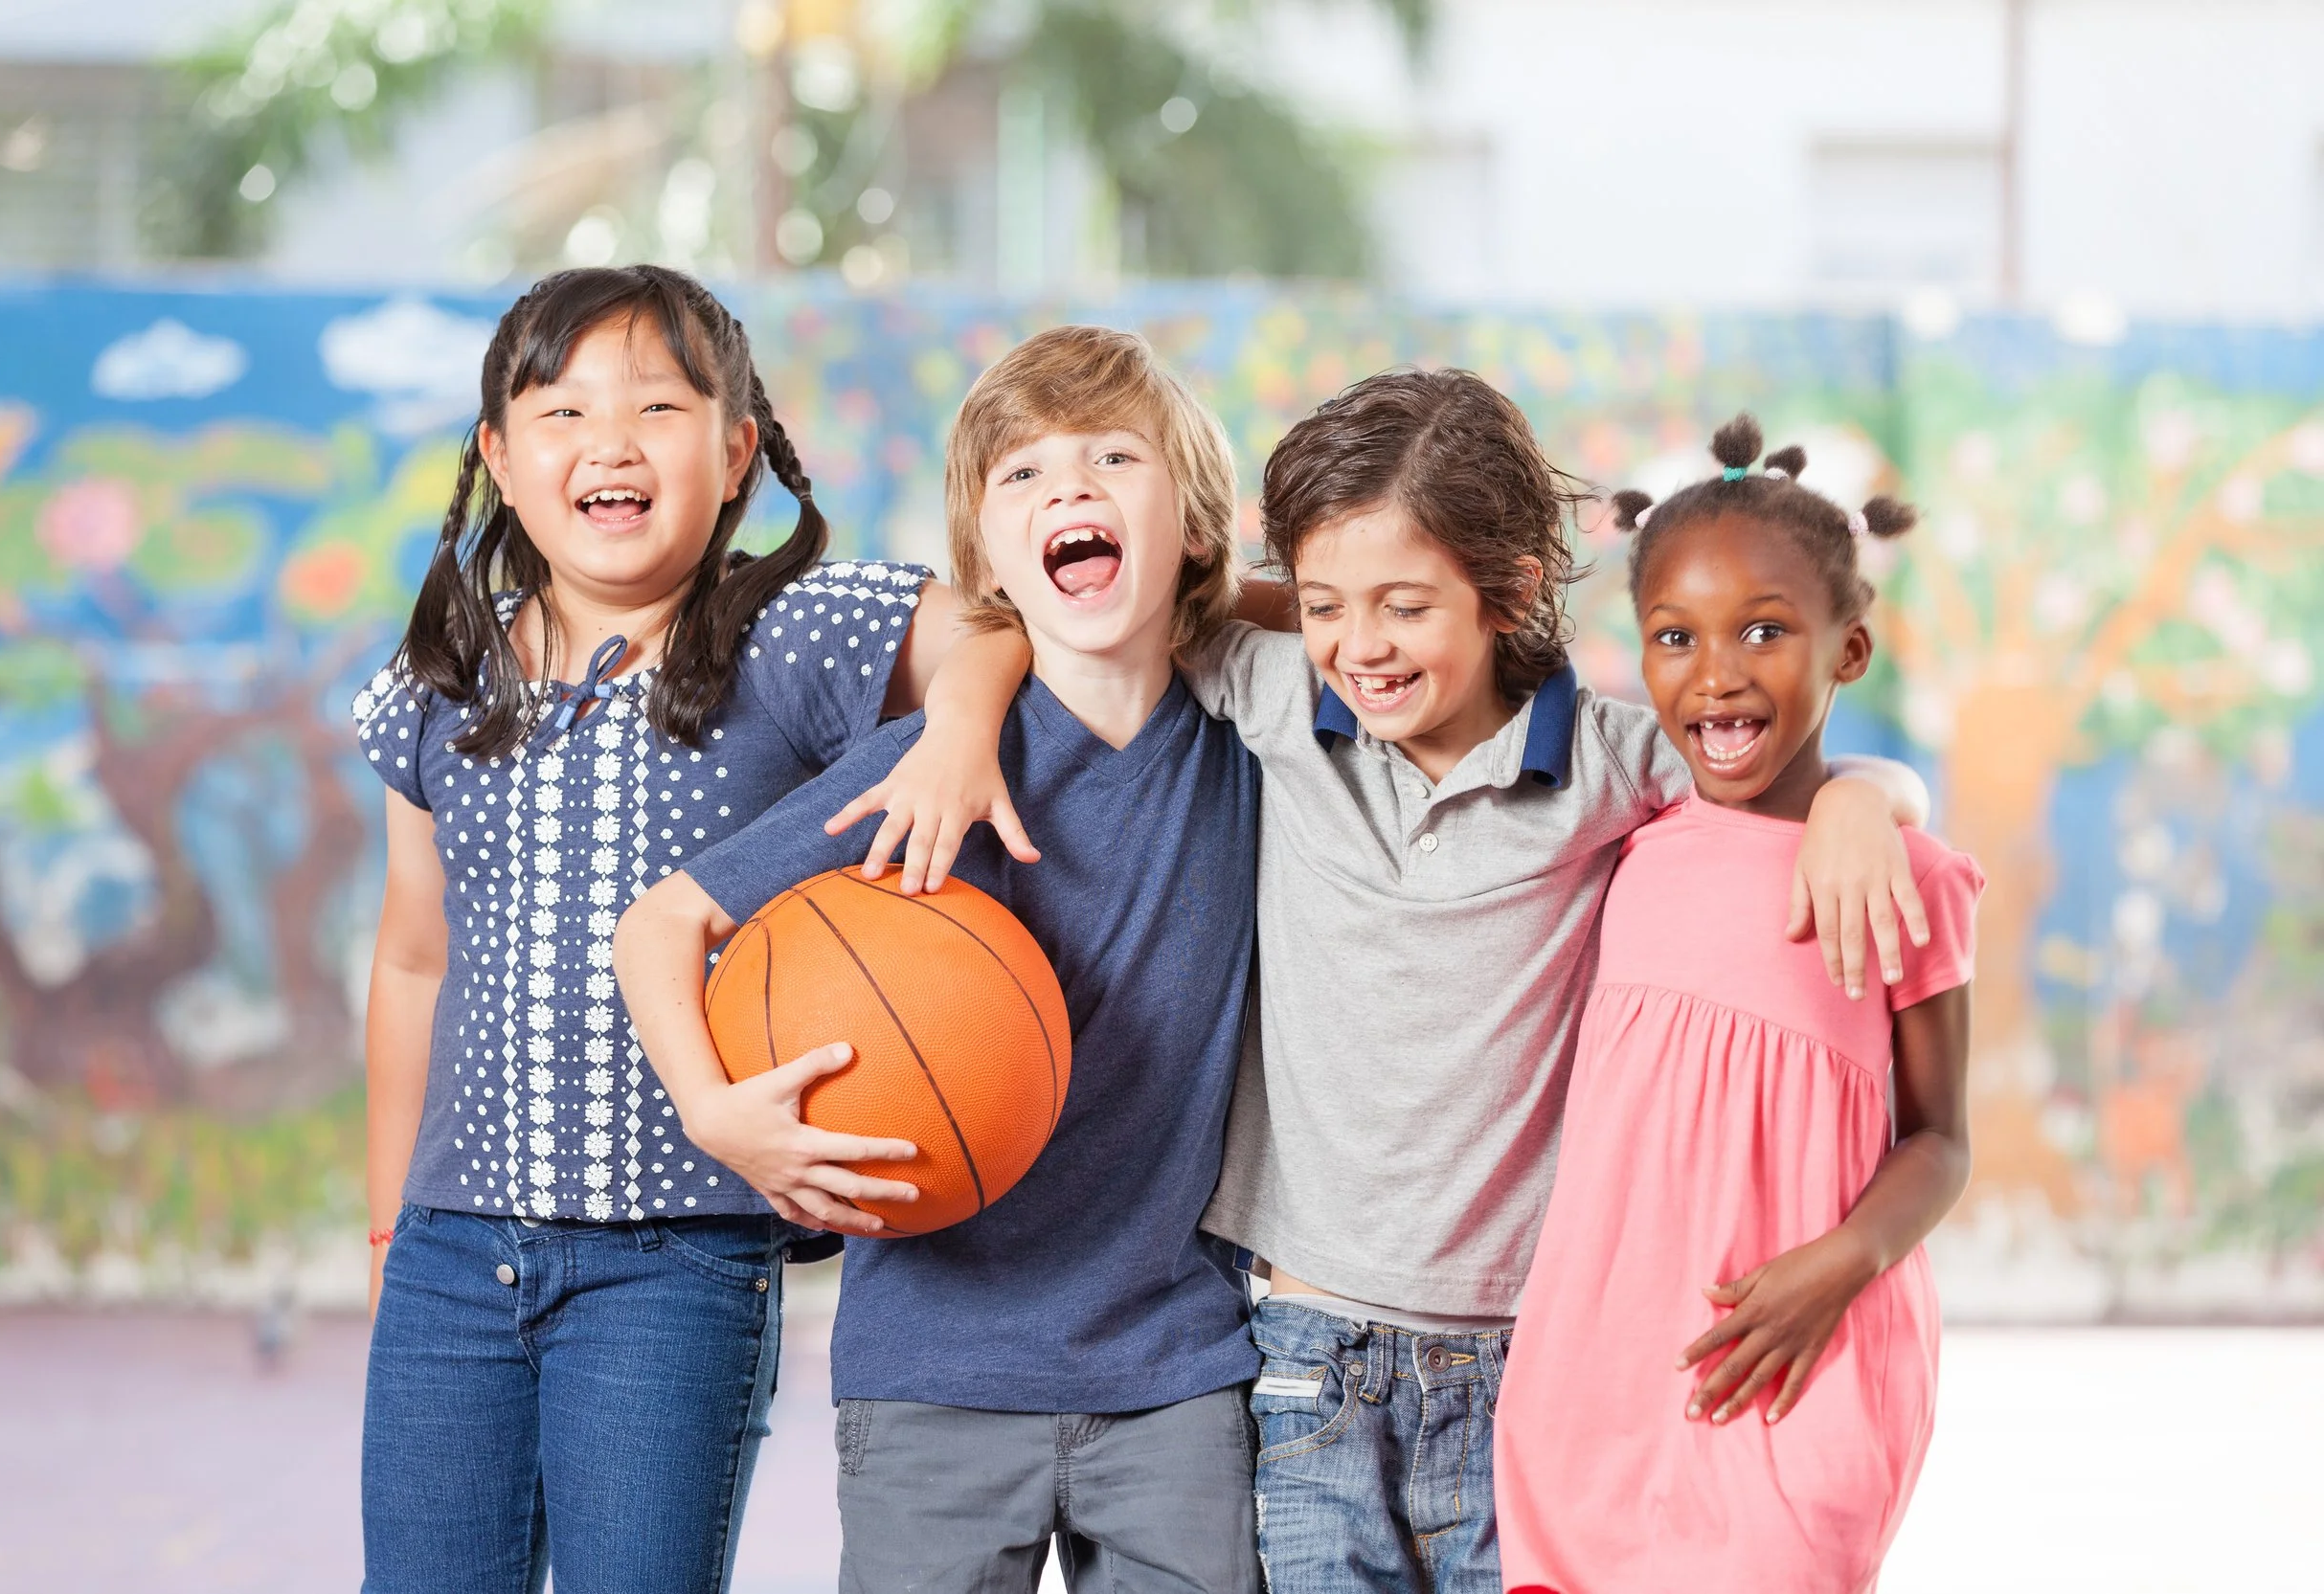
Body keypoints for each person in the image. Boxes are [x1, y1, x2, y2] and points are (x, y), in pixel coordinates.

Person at [873, 369, 1933, 1591]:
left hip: (1526, 1363)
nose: (1360, 647)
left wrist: (1870, 795)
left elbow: (1773, 770)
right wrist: (959, 722)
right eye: (1324, 603)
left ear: (1512, 594)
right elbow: (1068, 615)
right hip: (1303, 1354)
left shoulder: (1606, 765)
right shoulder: (1274, 689)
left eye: (1404, 607)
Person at [613, 325, 1265, 1593]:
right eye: (1020, 476)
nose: (1066, 489)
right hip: (934, 1367)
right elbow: (659, 928)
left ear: (1192, 522)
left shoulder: (1260, 740)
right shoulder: (926, 768)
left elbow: (1371, 614)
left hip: (1174, 1365)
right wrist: (719, 1115)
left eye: (1111, 459)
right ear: (986, 562)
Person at [353, 264, 969, 1594]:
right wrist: (387, 1225)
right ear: (502, 463)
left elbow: (985, 629)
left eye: (657, 406)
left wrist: (959, 735)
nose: (610, 442)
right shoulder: (439, 682)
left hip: (679, 1255)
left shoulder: (793, 633)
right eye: (562, 413)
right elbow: (414, 957)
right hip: (453, 1251)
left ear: (737, 448)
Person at [1493, 415, 1980, 1594]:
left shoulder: (1906, 878)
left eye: (1765, 631)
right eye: (1675, 636)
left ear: (1847, 652)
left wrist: (1839, 1264)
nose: (1716, 671)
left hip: (1796, 1358)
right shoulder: (1628, 839)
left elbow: (1941, 1142)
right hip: (1595, 1373)